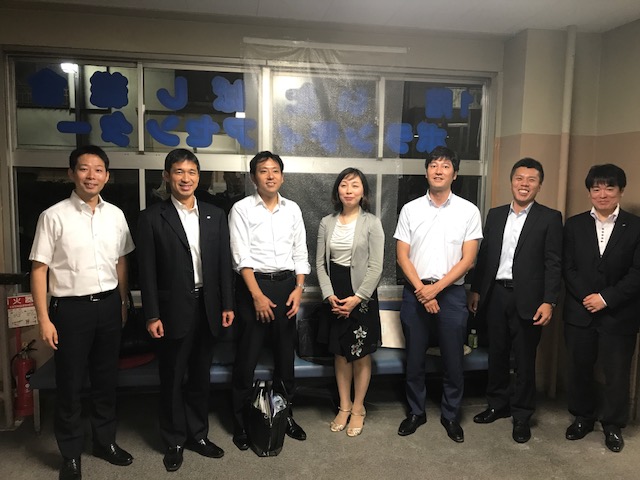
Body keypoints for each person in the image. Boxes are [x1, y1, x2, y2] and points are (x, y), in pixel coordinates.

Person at [29, 145, 135, 480]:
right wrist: (44, 319)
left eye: (98, 169)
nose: (92, 176)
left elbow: (121, 261)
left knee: (106, 381)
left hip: (108, 306)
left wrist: (122, 302)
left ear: (107, 175)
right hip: (70, 311)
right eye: (84, 169)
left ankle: (105, 442)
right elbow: (39, 270)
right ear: (71, 173)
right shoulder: (53, 216)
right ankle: (71, 454)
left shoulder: (115, 215)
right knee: (70, 385)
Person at [137, 148, 234, 471]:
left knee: (200, 377)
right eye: (179, 172)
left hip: (208, 306)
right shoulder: (152, 217)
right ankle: (174, 440)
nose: (185, 178)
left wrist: (227, 304)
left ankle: (198, 434)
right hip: (171, 310)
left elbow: (223, 264)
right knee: (172, 377)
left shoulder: (214, 214)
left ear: (199, 177)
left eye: (191, 172)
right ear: (167, 176)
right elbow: (147, 272)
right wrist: (152, 314)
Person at [467, 158, 562, 443]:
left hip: (530, 299)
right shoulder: (495, 215)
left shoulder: (550, 218)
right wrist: (476, 289)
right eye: (519, 178)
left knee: (524, 359)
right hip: (495, 294)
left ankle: (522, 415)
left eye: (531, 180)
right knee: (496, 353)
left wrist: (549, 301)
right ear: (511, 182)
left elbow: (553, 263)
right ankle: (497, 405)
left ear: (539, 185)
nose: (524, 184)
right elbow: (485, 256)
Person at [394, 145, 482, 443]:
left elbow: (468, 260)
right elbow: (402, 256)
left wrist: (436, 289)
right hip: (415, 291)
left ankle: (450, 415)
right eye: (433, 165)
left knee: (453, 360)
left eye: (445, 166)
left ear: (455, 174)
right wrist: (423, 291)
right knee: (414, 358)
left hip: (451, 295)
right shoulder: (410, 209)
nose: (439, 170)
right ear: (426, 172)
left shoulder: (468, 211)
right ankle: (416, 412)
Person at [229, 151, 310, 450]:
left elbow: (300, 252)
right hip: (254, 287)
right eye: (263, 171)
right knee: (246, 360)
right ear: (254, 177)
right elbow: (241, 257)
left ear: (282, 176)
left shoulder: (293, 209)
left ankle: (284, 416)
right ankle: (240, 423)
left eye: (275, 170)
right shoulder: (241, 209)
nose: (270, 175)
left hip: (287, 287)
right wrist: (257, 296)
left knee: (285, 359)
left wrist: (299, 288)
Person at [562, 164, 640, 453]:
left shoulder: (636, 226)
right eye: (596, 188)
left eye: (609, 187)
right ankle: (582, 417)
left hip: (619, 313)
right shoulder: (574, 225)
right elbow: (567, 267)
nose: (603, 194)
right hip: (580, 311)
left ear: (621, 190)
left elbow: (637, 272)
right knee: (579, 368)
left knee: (616, 373)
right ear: (589, 192)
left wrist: (606, 298)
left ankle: (612, 424)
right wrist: (588, 297)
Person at [316, 168, 384, 437]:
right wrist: (328, 294)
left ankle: (358, 408)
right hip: (335, 293)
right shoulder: (326, 223)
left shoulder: (372, 223)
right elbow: (320, 264)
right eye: (344, 185)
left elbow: (376, 266)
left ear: (363, 191)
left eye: (355, 185)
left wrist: (358, 298)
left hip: (362, 295)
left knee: (360, 354)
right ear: (338, 190)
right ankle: (344, 406)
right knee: (341, 353)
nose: (349, 190)